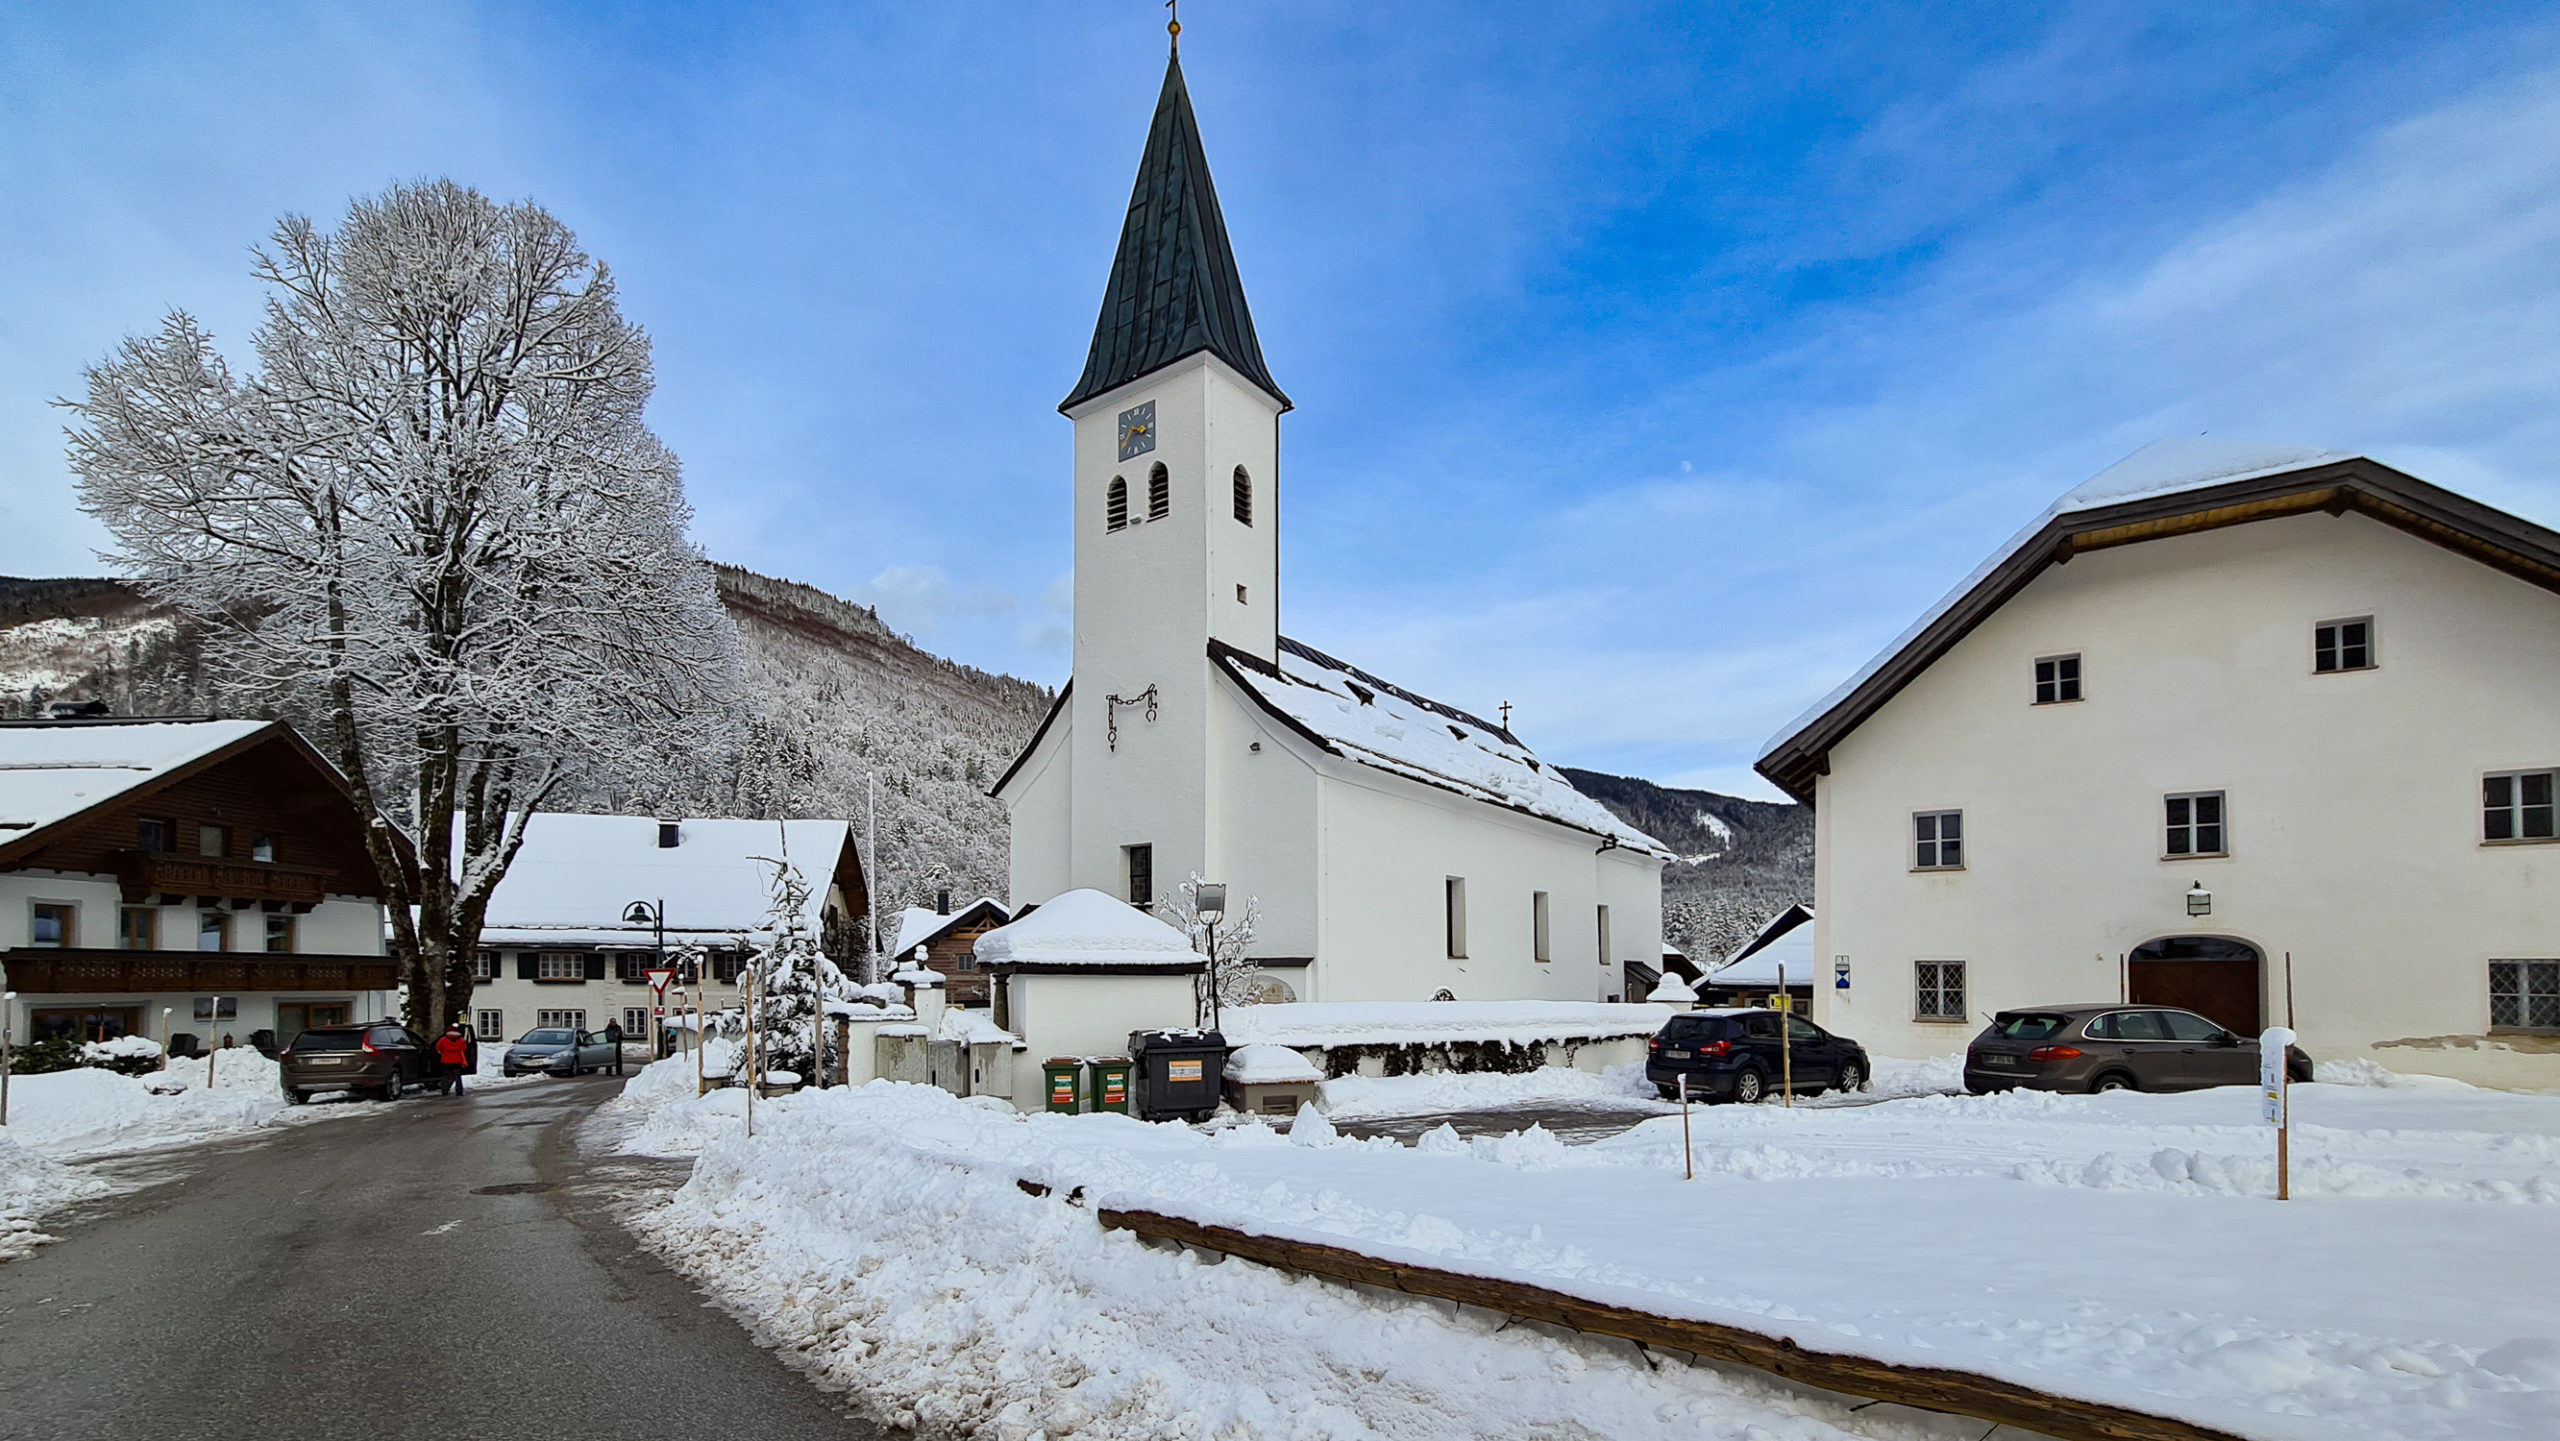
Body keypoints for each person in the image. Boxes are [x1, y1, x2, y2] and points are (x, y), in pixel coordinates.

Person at [434, 1023, 472, 1096]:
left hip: (445, 1061)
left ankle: (444, 1091)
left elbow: (437, 1048)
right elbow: (464, 1048)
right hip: (457, 1061)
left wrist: (443, 1052)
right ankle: (459, 1091)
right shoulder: (461, 1040)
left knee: (446, 1076)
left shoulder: (443, 1040)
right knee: (457, 1077)